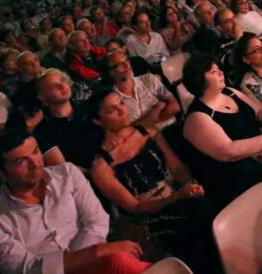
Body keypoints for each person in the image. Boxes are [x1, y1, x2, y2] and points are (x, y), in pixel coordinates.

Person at [0, 129, 150, 274]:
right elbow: (26, 269)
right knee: (118, 260)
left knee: (119, 261)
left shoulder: (67, 173)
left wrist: (85, 259)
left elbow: (96, 221)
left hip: (98, 261)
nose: (35, 164)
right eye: (21, 161)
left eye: (35, 152)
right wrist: (95, 253)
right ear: (1, 173)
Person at [87, 89, 217, 273]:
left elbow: (177, 167)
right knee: (197, 214)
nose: (122, 111)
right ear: (98, 121)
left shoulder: (147, 131)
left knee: (203, 199)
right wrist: (176, 197)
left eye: (121, 104)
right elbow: (134, 208)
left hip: (178, 194)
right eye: (111, 110)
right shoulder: (101, 167)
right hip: (151, 214)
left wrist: (190, 183)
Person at [180, 53, 262, 205]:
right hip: (238, 177)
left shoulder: (230, 92)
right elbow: (228, 151)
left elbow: (258, 111)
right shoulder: (197, 118)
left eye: (218, 68)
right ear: (199, 81)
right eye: (213, 71)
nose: (220, 72)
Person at [33, 68, 100, 167]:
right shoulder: (43, 130)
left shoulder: (90, 109)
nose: (62, 86)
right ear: (42, 97)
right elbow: (63, 167)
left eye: (63, 80)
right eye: (54, 86)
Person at [104, 49, 180, 131]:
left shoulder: (149, 79)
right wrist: (154, 112)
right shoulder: (113, 100)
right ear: (111, 72)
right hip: (150, 141)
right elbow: (126, 131)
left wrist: (139, 124)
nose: (127, 66)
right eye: (119, 64)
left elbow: (175, 107)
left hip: (173, 128)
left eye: (126, 60)